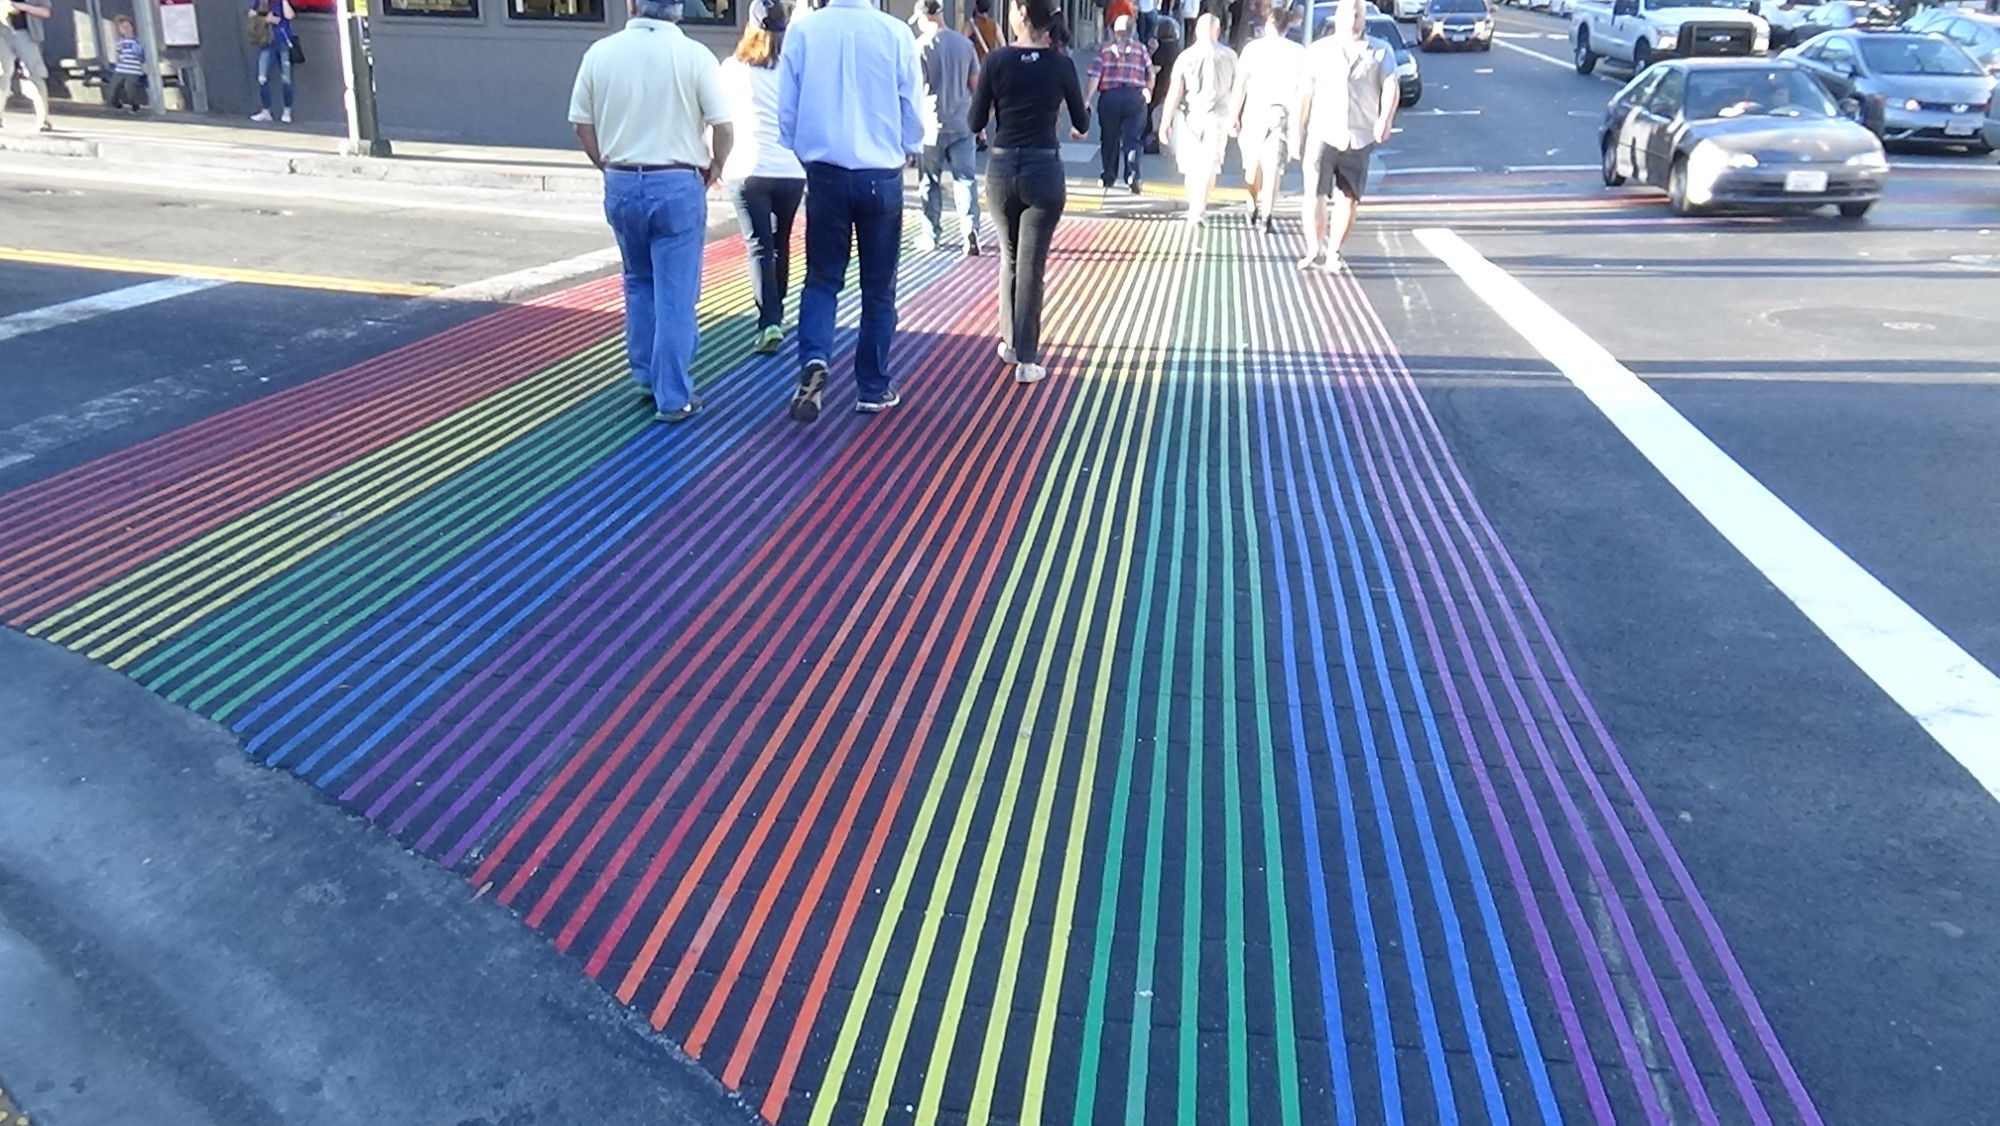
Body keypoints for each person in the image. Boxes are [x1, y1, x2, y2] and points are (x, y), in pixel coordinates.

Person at [569, 0, 733, 422]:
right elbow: (724, 125)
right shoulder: (694, 55)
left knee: (639, 282)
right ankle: (673, 394)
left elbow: (581, 124)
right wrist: (715, 166)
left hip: (622, 179)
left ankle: (644, 374)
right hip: (677, 181)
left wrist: (605, 163)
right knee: (677, 295)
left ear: (632, 5)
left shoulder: (600, 53)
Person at [778, 0, 923, 420]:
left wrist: (802, 148)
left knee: (822, 278)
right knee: (878, 288)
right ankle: (872, 387)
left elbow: (787, 109)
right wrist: (908, 147)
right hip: (881, 174)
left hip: (824, 172)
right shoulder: (896, 33)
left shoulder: (804, 32)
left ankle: (815, 360)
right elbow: (911, 106)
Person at [968, 0, 1088, 387]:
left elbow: (975, 120)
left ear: (1020, 15)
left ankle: (1008, 342)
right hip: (1043, 167)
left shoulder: (996, 61)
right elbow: (1083, 122)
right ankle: (1027, 357)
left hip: (1002, 168)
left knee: (1010, 257)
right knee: (1032, 266)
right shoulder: (1062, 64)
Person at [719, 0, 805, 356]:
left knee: (759, 246)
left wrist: (713, 161)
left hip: (747, 167)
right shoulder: (794, 69)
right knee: (781, 241)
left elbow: (719, 118)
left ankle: (769, 320)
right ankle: (777, 312)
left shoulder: (732, 69)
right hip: (789, 170)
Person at [1293, 0, 1396, 271]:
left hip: (1359, 135)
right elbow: (1304, 93)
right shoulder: (1318, 51)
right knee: (1314, 194)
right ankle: (1314, 248)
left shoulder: (1380, 52)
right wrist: (1296, 131)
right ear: (1337, 18)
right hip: (1322, 131)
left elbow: (1390, 85)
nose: (1353, 20)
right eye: (1348, 14)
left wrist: (1384, 119)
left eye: (1358, 15)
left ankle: (1334, 251)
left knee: (1348, 197)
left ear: (1364, 19)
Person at [1228, 3, 1305, 233]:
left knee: (1254, 167)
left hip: (1254, 112)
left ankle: (1254, 205)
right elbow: (1304, 92)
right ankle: (1266, 214)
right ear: (1286, 27)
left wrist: (1234, 114)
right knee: (1273, 168)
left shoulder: (1252, 50)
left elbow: (1240, 85)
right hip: (1282, 115)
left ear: (1268, 25)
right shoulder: (1298, 52)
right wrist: (1300, 125)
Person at [913, 0, 982, 256]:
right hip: (963, 123)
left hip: (931, 125)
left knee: (929, 182)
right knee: (965, 180)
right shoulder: (965, 44)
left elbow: (916, 90)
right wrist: (980, 122)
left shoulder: (920, 46)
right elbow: (975, 85)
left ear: (923, 17)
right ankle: (969, 230)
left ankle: (931, 235)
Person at [1158, 12, 1235, 228]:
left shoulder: (1185, 57)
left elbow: (1175, 91)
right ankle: (1200, 208)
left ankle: (1194, 206)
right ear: (1217, 31)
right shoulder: (1230, 57)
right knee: (1210, 165)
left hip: (1190, 118)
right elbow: (1238, 90)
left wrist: (1165, 122)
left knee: (1192, 166)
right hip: (1219, 118)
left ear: (1196, 31)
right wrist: (1238, 117)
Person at [1084, 13, 1154, 193]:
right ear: (1133, 31)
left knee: (1109, 138)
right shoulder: (1141, 49)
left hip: (1110, 97)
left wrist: (1087, 99)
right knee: (1133, 139)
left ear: (1114, 31)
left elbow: (1095, 76)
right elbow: (1150, 73)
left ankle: (1108, 175)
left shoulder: (1105, 50)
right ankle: (1133, 175)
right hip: (1134, 97)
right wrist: (1148, 89)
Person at [0, 0, 51, 133]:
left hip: (25, 33)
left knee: (34, 73)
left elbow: (45, 12)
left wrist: (20, 7)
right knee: (2, 72)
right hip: (2, 32)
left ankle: (43, 119)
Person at [247, 0, 296, 124]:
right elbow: (251, 14)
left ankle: (287, 110)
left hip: (283, 42)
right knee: (262, 77)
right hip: (267, 42)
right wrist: (265, 19)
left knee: (286, 78)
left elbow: (290, 15)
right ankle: (266, 110)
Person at [107, 14, 149, 112]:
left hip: (133, 70)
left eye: (127, 27)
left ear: (132, 27)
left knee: (129, 88)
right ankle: (116, 103)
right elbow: (118, 54)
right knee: (114, 87)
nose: (126, 30)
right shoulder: (121, 42)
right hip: (121, 69)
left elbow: (142, 56)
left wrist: (139, 53)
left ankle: (134, 105)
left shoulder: (138, 41)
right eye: (123, 28)